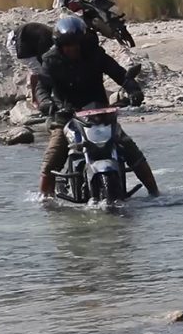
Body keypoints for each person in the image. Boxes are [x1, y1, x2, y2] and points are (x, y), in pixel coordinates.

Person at [35, 16, 159, 198]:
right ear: (60, 45)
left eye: (76, 44)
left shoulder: (95, 54)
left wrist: (133, 89)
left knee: (130, 149)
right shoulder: (51, 60)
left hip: (100, 113)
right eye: (67, 45)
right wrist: (47, 104)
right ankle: (44, 200)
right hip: (66, 116)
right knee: (52, 158)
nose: (72, 48)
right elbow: (41, 88)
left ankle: (155, 194)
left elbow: (119, 73)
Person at [6, 22, 55, 107]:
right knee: (38, 70)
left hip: (22, 39)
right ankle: (35, 99)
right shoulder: (46, 38)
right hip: (15, 42)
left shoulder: (49, 34)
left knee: (39, 68)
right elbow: (42, 58)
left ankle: (32, 91)